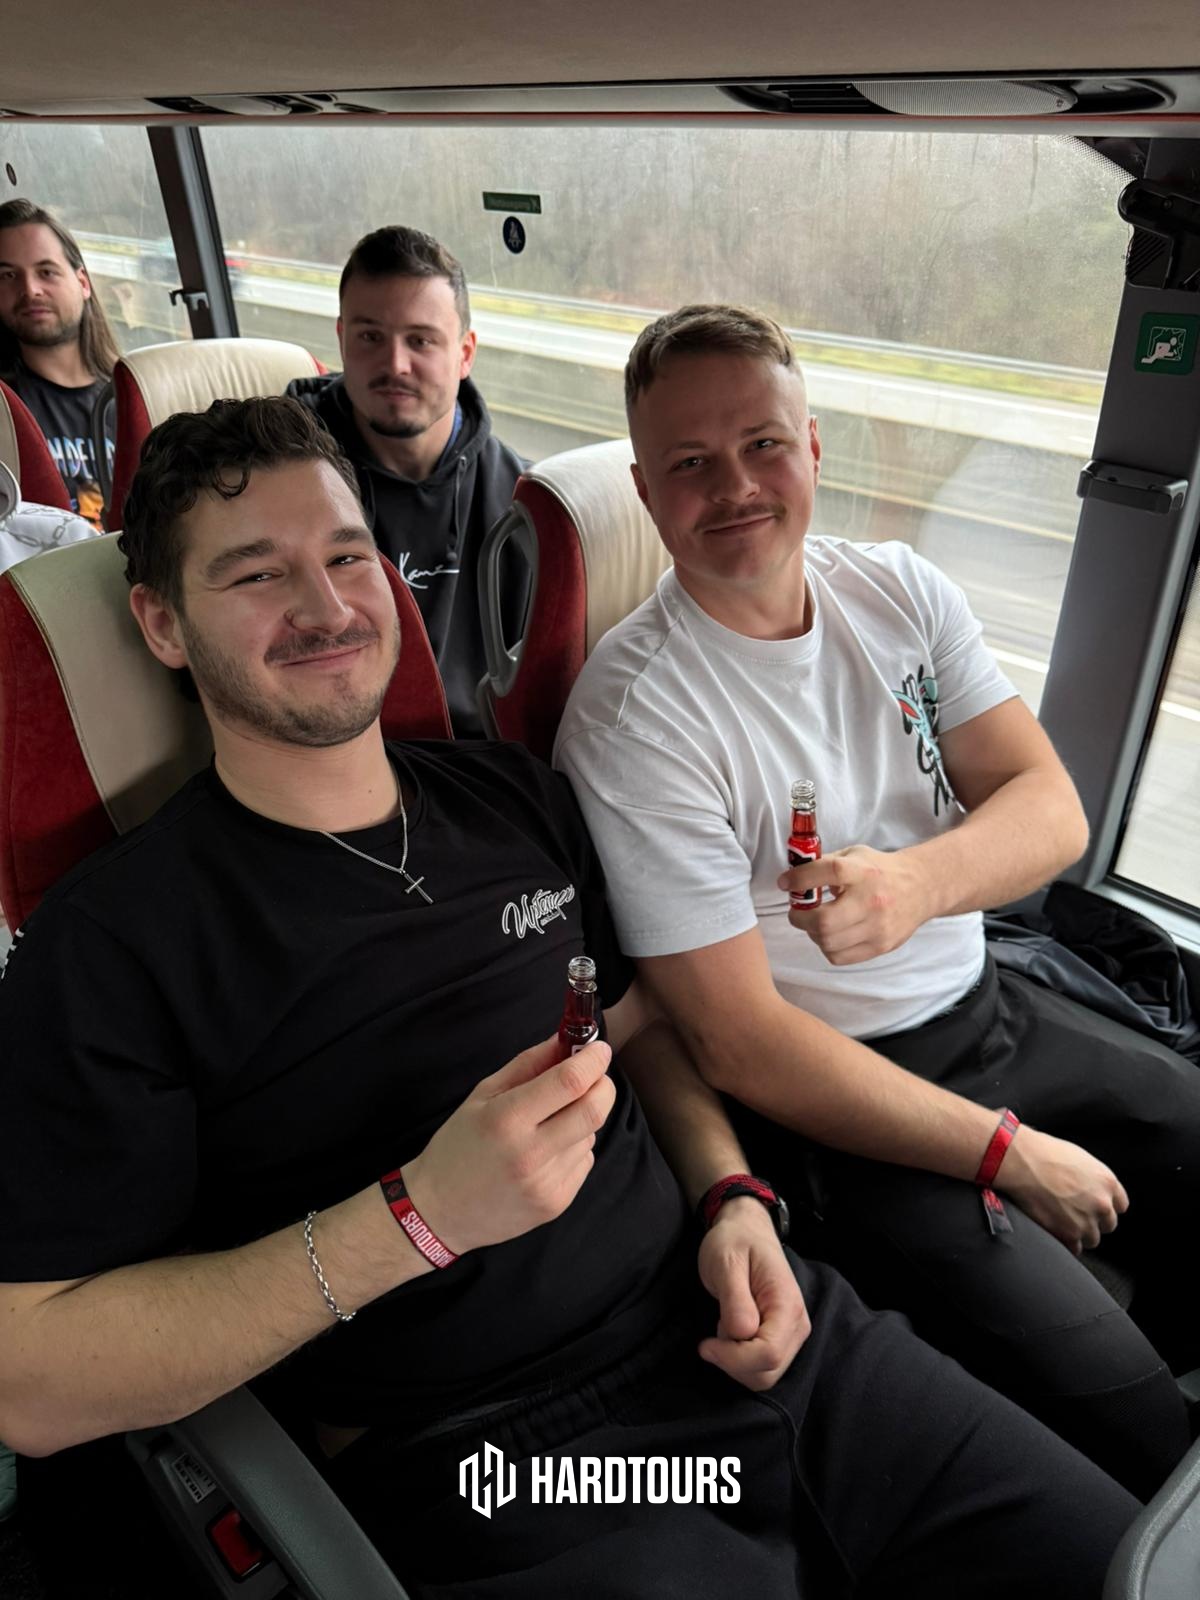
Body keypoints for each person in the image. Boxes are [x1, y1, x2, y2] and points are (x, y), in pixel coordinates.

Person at [0, 397, 1139, 1599]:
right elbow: (32, 1376)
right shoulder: (114, 942)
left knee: (1126, 1563)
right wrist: (418, 1216)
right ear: (162, 623)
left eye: (347, 555)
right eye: (256, 574)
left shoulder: (510, 797)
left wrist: (729, 1195)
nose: (327, 606)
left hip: (761, 1326)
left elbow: (639, 1030)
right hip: (505, 1455)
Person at [554, 302, 1200, 1502]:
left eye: (762, 443)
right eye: (689, 463)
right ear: (646, 494)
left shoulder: (897, 590)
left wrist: (916, 885)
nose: (735, 485)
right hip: (841, 1103)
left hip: (989, 1003)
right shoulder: (640, 716)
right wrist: (1007, 1152)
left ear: (813, 447)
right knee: (1134, 1421)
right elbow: (739, 1044)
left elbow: (1053, 810)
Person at [287, 225, 527, 737]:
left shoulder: (520, 500)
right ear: (341, 339)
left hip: (480, 761)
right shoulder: (279, 479)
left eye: (421, 340)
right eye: (370, 337)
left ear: (465, 354)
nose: (395, 364)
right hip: (327, 749)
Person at [0, 199, 119, 530]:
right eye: (8, 275)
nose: (30, 290)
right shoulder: (4, 412)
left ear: (83, 283)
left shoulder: (138, 396)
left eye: (46, 272)